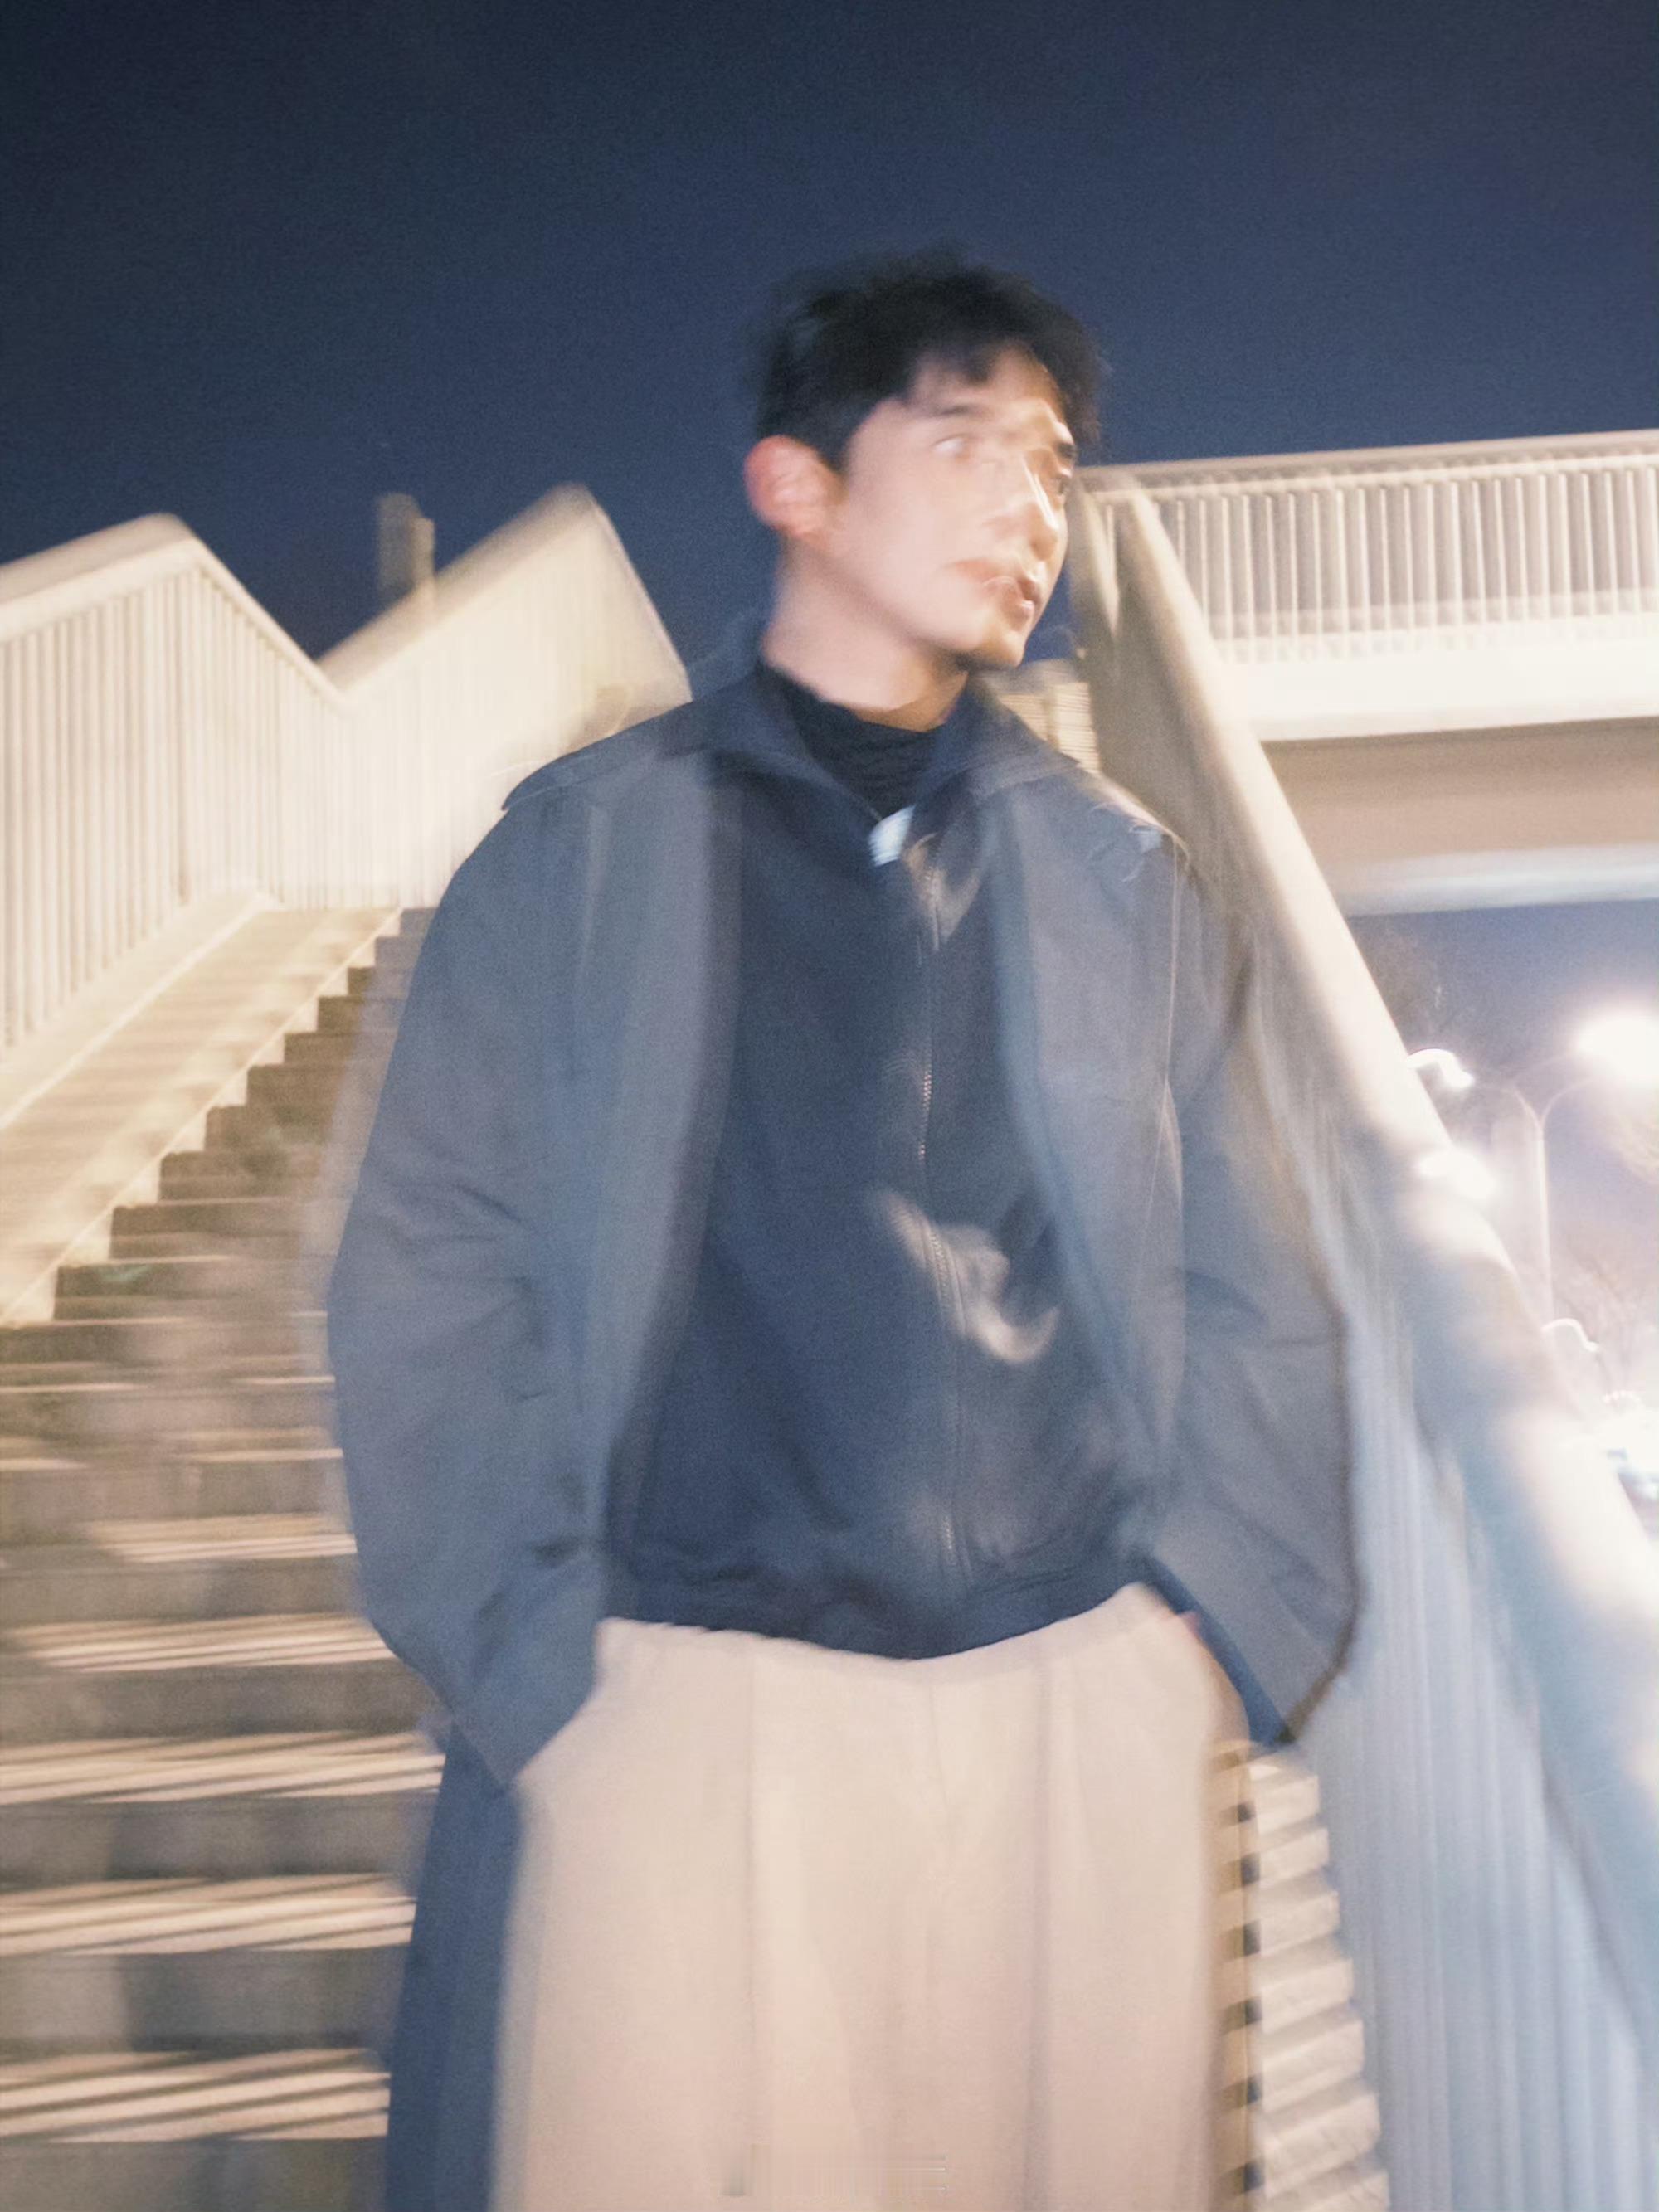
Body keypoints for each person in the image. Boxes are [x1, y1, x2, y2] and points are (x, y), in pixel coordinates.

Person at [328, 251, 1355, 2212]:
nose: (1027, 509)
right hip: (681, 1705)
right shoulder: (584, 849)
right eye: (963, 443)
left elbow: (1252, 1279)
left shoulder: (1116, 874)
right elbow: (427, 1268)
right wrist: (535, 1672)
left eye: (1050, 466)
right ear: (794, 482)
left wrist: (1207, 1634)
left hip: (1064, 1701)